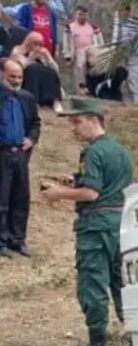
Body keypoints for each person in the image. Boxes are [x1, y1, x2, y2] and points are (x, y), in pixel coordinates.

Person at [41, 99, 133, 346]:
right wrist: (75, 180)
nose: (73, 127)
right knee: (122, 284)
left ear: (94, 120)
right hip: (119, 224)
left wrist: (59, 195)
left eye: (77, 121)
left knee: (92, 284)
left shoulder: (92, 152)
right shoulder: (120, 151)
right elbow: (110, 184)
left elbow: (91, 193)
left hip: (95, 226)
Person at [0, 58, 40, 259]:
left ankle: (18, 240)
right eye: (12, 76)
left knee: (21, 198)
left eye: (19, 77)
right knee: (2, 199)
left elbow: (35, 123)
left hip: (21, 155)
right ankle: (2, 241)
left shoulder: (27, 98)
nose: (16, 81)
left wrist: (32, 139)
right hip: (2, 153)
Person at [10, 31, 61, 109]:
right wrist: (31, 58)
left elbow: (56, 69)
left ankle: (55, 101)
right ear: (28, 42)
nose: (38, 47)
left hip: (43, 82)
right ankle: (34, 101)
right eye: (35, 43)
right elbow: (20, 67)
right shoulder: (18, 50)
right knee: (33, 68)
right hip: (26, 78)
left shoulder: (43, 53)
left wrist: (48, 58)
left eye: (40, 44)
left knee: (51, 71)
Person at [62, 6, 103, 96]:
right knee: (80, 64)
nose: (82, 17)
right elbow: (66, 43)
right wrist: (67, 55)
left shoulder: (92, 27)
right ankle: (82, 87)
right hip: (78, 50)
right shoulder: (70, 27)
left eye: (84, 15)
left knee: (95, 66)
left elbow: (99, 40)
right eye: (80, 14)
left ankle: (94, 87)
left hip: (91, 50)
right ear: (76, 15)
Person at [113, 7, 138, 104]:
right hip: (124, 61)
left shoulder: (133, 25)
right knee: (124, 86)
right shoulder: (121, 25)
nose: (121, 13)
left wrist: (126, 54)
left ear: (127, 11)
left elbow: (131, 43)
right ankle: (129, 107)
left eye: (123, 11)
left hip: (134, 60)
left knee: (134, 85)